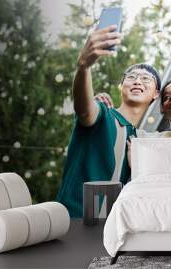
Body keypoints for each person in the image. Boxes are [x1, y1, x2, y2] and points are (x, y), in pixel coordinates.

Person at [57, 25, 161, 217]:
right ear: (122, 86)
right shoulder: (104, 115)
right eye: (131, 77)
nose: (137, 81)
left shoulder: (142, 140)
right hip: (75, 224)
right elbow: (85, 109)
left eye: (146, 78)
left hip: (112, 231)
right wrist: (83, 66)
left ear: (156, 94)